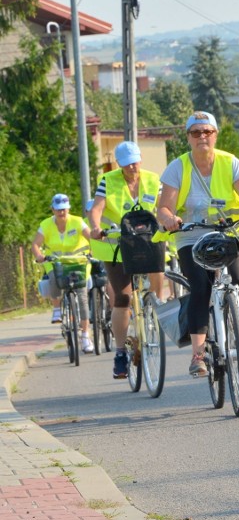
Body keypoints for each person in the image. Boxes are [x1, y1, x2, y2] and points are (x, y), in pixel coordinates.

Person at [157, 111, 239, 376]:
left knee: (238, 280)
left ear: (215, 134)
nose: (202, 137)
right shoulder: (178, 167)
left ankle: (238, 319)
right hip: (191, 235)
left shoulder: (230, 163)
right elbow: (163, 208)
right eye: (196, 132)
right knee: (200, 288)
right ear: (188, 137)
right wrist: (170, 219)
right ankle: (198, 354)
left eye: (207, 131)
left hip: (227, 231)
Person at [89, 141, 165, 379]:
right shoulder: (108, 180)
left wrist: (171, 218)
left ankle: (154, 308)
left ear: (141, 159)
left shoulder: (153, 179)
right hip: (116, 244)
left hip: (147, 240)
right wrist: (94, 227)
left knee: (159, 271)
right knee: (122, 297)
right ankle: (121, 353)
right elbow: (96, 209)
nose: (133, 167)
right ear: (119, 164)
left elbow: (164, 206)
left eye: (135, 161)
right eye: (127, 163)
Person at [32, 193, 94, 353]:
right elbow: (36, 244)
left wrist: (93, 250)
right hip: (56, 263)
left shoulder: (77, 222)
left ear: (69, 209)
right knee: (53, 278)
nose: (62, 213)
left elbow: (91, 237)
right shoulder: (45, 225)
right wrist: (39, 256)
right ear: (52, 210)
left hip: (78, 262)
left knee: (82, 297)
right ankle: (57, 309)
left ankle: (86, 335)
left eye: (64, 209)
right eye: (58, 210)